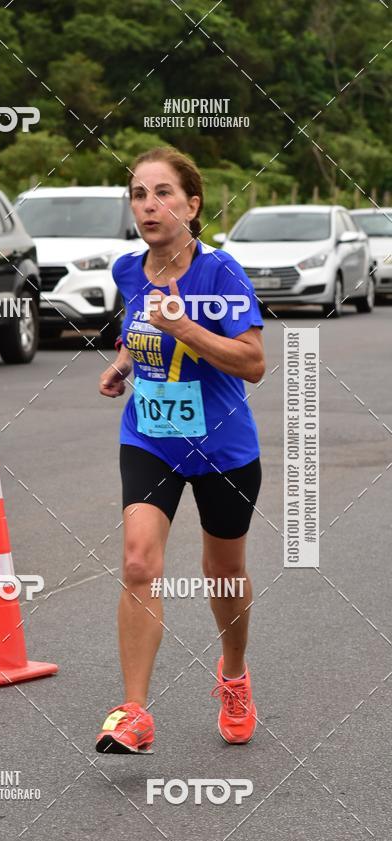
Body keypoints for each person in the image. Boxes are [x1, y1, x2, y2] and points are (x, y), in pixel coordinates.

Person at [95, 147, 265, 754]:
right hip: (151, 435)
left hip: (224, 446)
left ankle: (235, 674)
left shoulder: (221, 274)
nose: (149, 205)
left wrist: (187, 329)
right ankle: (134, 712)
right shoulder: (126, 270)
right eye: (139, 194)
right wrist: (122, 364)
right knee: (139, 561)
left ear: (193, 206)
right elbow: (136, 328)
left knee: (223, 574)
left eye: (163, 193)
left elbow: (255, 363)